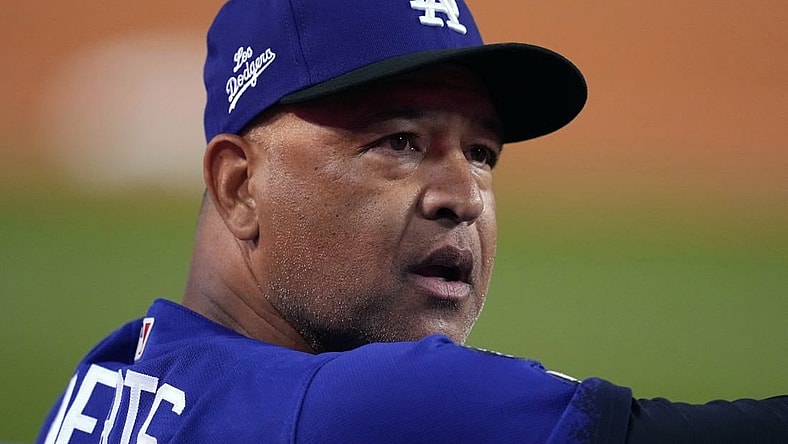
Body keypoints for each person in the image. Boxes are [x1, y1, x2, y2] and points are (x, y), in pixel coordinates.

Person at [37, 0, 787, 442]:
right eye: (398, 142)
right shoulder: (373, 410)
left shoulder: (111, 381)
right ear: (239, 187)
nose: (464, 195)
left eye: (484, 152)